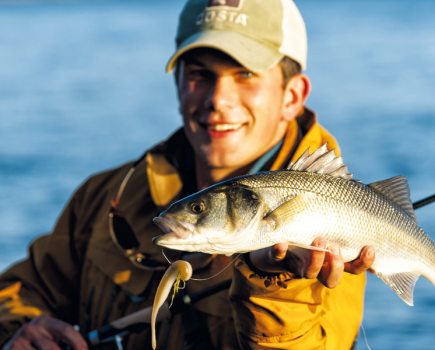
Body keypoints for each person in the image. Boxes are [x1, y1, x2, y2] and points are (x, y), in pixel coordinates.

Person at [0, 0, 375, 349]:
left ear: (292, 95)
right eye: (200, 74)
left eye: (245, 74)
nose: (218, 98)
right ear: (177, 82)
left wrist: (277, 284)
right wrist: (20, 328)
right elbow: (25, 288)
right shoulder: (104, 195)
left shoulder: (334, 227)